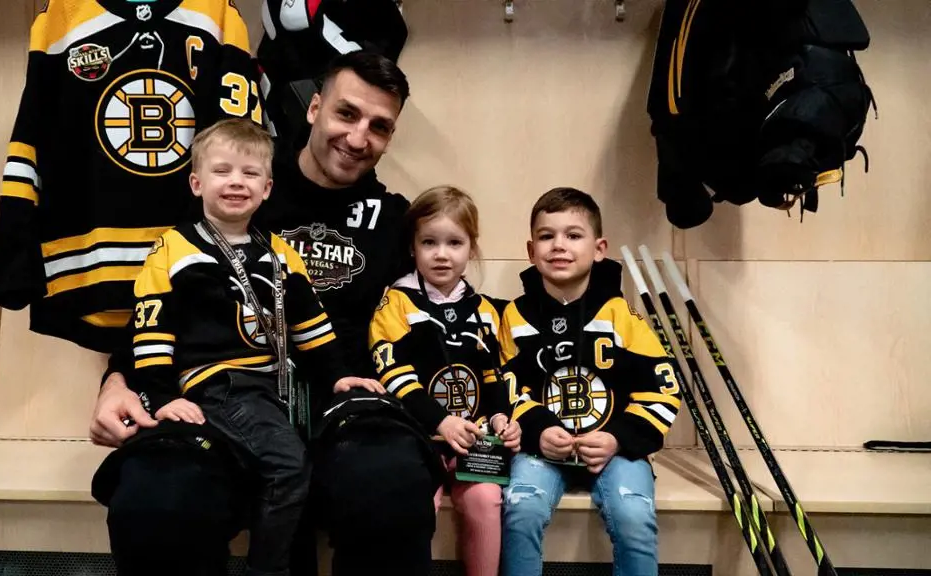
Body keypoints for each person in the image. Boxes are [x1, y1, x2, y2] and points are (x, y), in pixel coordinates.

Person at [90, 52, 441, 576]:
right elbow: (160, 304)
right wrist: (116, 382)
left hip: (339, 410)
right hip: (218, 397)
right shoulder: (231, 189)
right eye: (346, 114)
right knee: (154, 499)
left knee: (394, 486)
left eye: (379, 127)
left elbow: (424, 320)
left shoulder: (394, 220)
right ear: (314, 108)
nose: (359, 137)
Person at [497, 188, 683, 576]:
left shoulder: (620, 315)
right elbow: (507, 386)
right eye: (547, 236)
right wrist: (539, 431)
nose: (559, 246)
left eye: (573, 235)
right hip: (541, 452)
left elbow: (662, 387)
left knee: (634, 516)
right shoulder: (516, 316)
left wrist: (618, 436)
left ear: (599, 248)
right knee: (521, 509)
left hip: (615, 451)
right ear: (531, 251)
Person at [368, 186, 522, 576]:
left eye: (454, 242)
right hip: (416, 439)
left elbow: (494, 376)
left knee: (487, 499)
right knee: (414, 502)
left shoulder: (486, 311)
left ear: (471, 248)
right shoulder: (396, 303)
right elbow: (394, 375)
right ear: (412, 247)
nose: (441, 253)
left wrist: (503, 416)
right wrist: (440, 421)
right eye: (429, 242)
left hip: (472, 443)